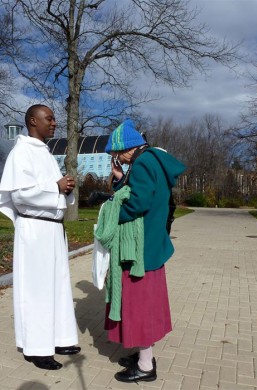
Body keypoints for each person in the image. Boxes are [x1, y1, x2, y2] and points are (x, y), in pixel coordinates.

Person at [98, 118, 186, 383]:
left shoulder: (144, 162)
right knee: (142, 304)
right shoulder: (150, 160)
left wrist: (110, 214)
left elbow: (136, 203)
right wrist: (119, 179)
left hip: (140, 249)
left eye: (117, 154)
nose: (118, 159)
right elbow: (133, 191)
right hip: (148, 243)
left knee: (139, 307)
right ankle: (142, 355)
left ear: (127, 147)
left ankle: (146, 366)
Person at [0, 104, 81, 370]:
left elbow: (51, 191)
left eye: (55, 118)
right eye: (49, 119)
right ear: (33, 121)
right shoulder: (21, 152)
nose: (54, 123)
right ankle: (36, 348)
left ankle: (59, 337)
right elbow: (20, 195)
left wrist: (66, 189)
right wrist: (54, 187)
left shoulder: (44, 152)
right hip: (34, 230)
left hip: (52, 230)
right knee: (37, 290)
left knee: (57, 285)